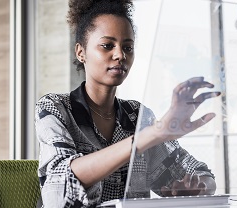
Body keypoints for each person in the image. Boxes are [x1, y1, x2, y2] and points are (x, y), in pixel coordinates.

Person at [35, 0, 221, 207]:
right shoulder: (54, 108)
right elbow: (59, 189)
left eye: (128, 47)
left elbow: (202, 174)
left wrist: (197, 187)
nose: (120, 55)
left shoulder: (137, 115)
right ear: (81, 52)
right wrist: (151, 134)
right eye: (107, 46)